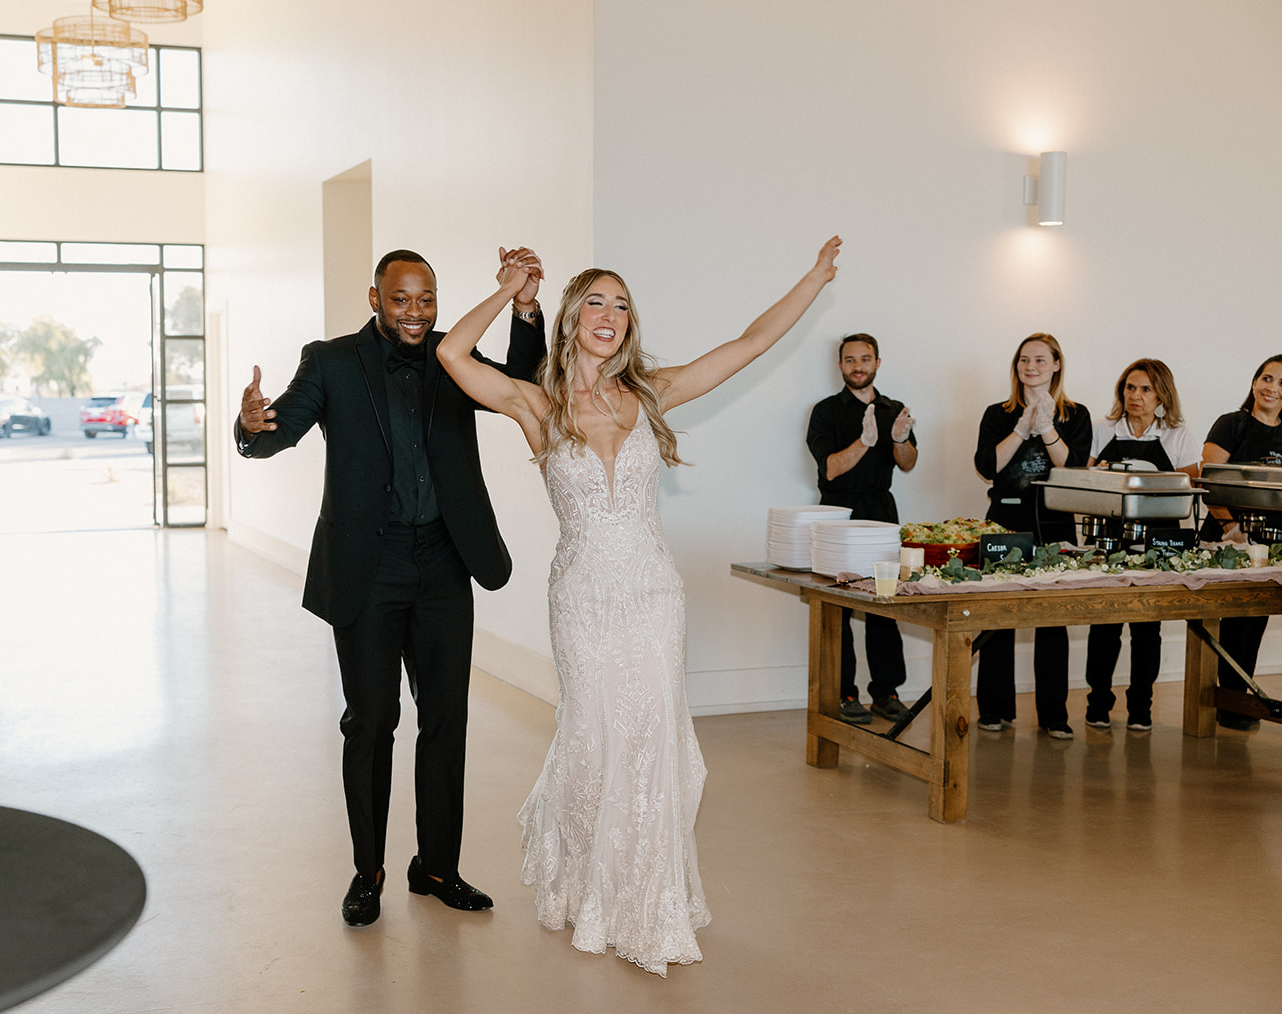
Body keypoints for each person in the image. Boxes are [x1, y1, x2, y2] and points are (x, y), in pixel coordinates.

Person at [433, 237, 843, 975]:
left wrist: (811, 280)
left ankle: (644, 900)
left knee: (652, 741)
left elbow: (749, 343)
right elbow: (455, 356)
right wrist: (507, 288)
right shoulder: (537, 402)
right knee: (593, 736)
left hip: (654, 593)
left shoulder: (652, 393)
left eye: (622, 304)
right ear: (569, 318)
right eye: (595, 299)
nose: (610, 313)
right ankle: (590, 880)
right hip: (584, 597)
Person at [234, 247, 547, 927]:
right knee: (370, 723)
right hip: (367, 569)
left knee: (446, 720)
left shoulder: (452, 357)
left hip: (443, 560)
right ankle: (368, 869)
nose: (416, 312)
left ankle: (436, 865)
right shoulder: (332, 362)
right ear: (375, 298)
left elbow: (524, 383)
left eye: (426, 299)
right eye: (401, 299)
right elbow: (272, 434)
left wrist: (524, 307)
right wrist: (249, 426)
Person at [972, 333, 1091, 738]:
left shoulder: (1076, 415)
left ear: (1057, 364)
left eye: (1041, 360)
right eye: (1024, 359)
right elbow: (988, 466)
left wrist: (1048, 429)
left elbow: (1073, 470)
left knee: (1053, 622)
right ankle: (994, 709)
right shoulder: (998, 413)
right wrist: (1023, 428)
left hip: (1055, 524)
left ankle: (1054, 715)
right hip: (1005, 523)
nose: (1031, 367)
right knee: (998, 617)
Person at [805, 333, 918, 724]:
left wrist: (899, 439)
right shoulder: (825, 412)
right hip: (838, 516)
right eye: (850, 359)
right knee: (839, 608)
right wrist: (865, 442)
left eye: (865, 358)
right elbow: (831, 468)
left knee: (885, 605)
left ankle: (886, 692)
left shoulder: (894, 409)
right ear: (840, 366)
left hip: (882, 514)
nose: (858, 366)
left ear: (877, 362)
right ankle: (842, 693)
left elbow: (907, 463)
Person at [1083, 359, 1201, 731]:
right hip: (1108, 537)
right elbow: (1085, 484)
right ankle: (1098, 702)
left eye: (1146, 389)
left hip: (1158, 541)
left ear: (1162, 394)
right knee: (1104, 625)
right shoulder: (1102, 430)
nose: (1136, 396)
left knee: (1148, 629)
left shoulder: (1178, 436)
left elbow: (1190, 491)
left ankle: (1141, 707)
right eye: (1130, 388)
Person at [1200, 355, 1282, 730]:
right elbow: (1210, 483)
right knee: (1231, 623)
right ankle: (1230, 701)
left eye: (1281, 384)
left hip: (1270, 546)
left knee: (1255, 622)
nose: (1272, 388)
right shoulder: (1231, 424)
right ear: (1254, 382)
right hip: (1228, 540)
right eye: (1266, 378)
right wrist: (1233, 528)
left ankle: (1239, 700)